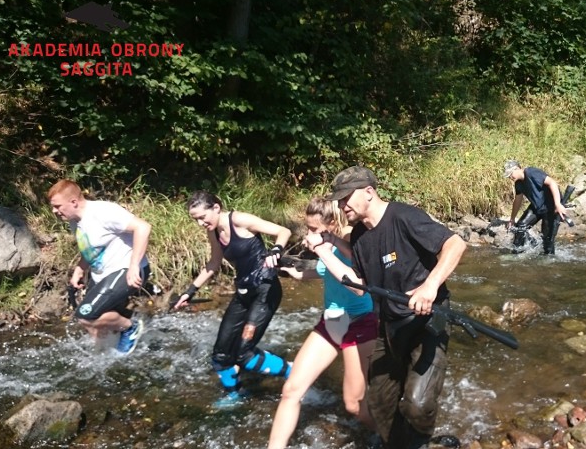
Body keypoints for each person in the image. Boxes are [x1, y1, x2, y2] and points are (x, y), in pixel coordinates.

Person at [314, 166, 467, 449]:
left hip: (426, 321)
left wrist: (429, 286)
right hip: (390, 326)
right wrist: (324, 251)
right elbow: (359, 284)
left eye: (347, 197)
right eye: (339, 199)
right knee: (380, 401)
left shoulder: (402, 216)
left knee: (418, 405)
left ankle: (421, 443)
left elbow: (455, 244)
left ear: (369, 192)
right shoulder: (360, 235)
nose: (341, 205)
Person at [268, 197, 377, 449]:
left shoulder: (352, 239)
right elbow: (321, 271)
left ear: (334, 224)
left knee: (355, 406)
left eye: (314, 229)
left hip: (361, 323)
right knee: (291, 390)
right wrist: (292, 271)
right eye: (308, 228)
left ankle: (397, 438)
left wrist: (323, 246)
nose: (309, 234)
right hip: (331, 321)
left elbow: (350, 263)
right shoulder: (325, 245)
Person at [174, 191, 293, 409]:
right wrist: (189, 291)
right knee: (220, 355)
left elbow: (283, 231)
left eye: (202, 217)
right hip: (244, 292)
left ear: (216, 208)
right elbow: (214, 263)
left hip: (265, 289)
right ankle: (235, 395)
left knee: (244, 355)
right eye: (196, 220)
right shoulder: (214, 231)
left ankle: (293, 372)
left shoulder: (239, 220)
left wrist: (275, 250)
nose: (200, 223)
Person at [47, 179, 151, 354]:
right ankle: (105, 356)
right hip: (102, 275)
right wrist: (80, 269)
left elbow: (143, 227)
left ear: (74, 202)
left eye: (57, 206)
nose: (54, 211)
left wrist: (134, 266)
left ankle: (130, 327)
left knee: (86, 316)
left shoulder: (103, 212)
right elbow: (91, 249)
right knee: (95, 325)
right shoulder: (74, 220)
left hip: (126, 270)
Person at [503, 160, 568, 254]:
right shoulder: (518, 183)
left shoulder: (531, 172)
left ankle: (548, 262)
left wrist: (558, 204)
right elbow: (517, 200)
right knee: (520, 227)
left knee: (548, 243)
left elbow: (552, 183)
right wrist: (512, 219)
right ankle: (516, 253)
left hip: (551, 208)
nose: (510, 177)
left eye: (510, 174)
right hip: (536, 207)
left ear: (517, 169)